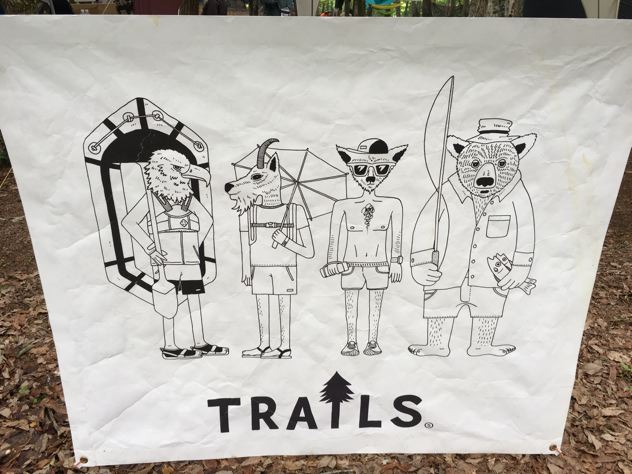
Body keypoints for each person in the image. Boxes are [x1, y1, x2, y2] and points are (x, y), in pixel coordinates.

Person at [322, 138, 407, 356]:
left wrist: (396, 261)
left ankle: (372, 341)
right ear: (352, 168)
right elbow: (334, 236)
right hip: (350, 264)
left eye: (380, 169)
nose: (370, 176)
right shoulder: (342, 205)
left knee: (375, 305)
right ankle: (351, 341)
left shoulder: (393, 204)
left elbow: (396, 235)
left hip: (379, 264)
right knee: (350, 304)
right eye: (361, 169)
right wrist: (332, 261)